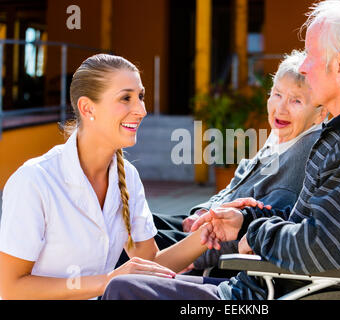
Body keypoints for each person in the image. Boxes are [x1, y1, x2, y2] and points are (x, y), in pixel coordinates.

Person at [102, 0, 340, 300]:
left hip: (256, 295)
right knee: (123, 277)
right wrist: (245, 219)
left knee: (123, 289)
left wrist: (254, 232)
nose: (304, 68)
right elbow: (313, 229)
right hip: (257, 286)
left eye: (310, 55)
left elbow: (318, 247)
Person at [0, 54, 221, 300]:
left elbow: (149, 266)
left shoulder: (128, 176)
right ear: (87, 108)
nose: (142, 110)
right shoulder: (34, 181)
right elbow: (10, 289)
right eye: (126, 98)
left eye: (141, 97)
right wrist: (106, 282)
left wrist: (210, 229)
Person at [150, 49, 327, 273]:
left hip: (214, 248)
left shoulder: (303, 156)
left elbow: (259, 228)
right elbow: (234, 187)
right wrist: (202, 211)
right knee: (138, 226)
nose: (280, 108)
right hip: (205, 228)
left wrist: (195, 260)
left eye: (296, 101)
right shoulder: (281, 137)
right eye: (277, 94)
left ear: (321, 113)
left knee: (131, 246)